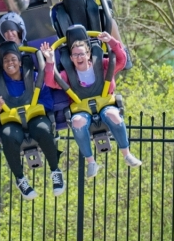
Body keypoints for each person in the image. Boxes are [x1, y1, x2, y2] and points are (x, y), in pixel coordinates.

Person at [44, 36, 141, 176]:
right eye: (75, 55)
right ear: (71, 58)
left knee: (113, 115)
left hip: (105, 104)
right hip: (81, 109)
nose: (79, 57)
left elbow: (121, 60)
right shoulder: (67, 75)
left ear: (88, 54)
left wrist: (111, 42)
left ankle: (127, 154)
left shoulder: (103, 65)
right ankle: (91, 163)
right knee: (77, 122)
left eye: (82, 53)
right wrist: (49, 60)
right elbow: (50, 82)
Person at [0, 42, 62, 199]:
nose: (9, 63)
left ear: (20, 62)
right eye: (5, 61)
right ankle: (20, 178)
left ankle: (55, 170)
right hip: (11, 121)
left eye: (13, 59)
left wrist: (31, 107)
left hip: (35, 116)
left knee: (42, 129)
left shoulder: (33, 77)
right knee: (7, 135)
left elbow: (48, 101)